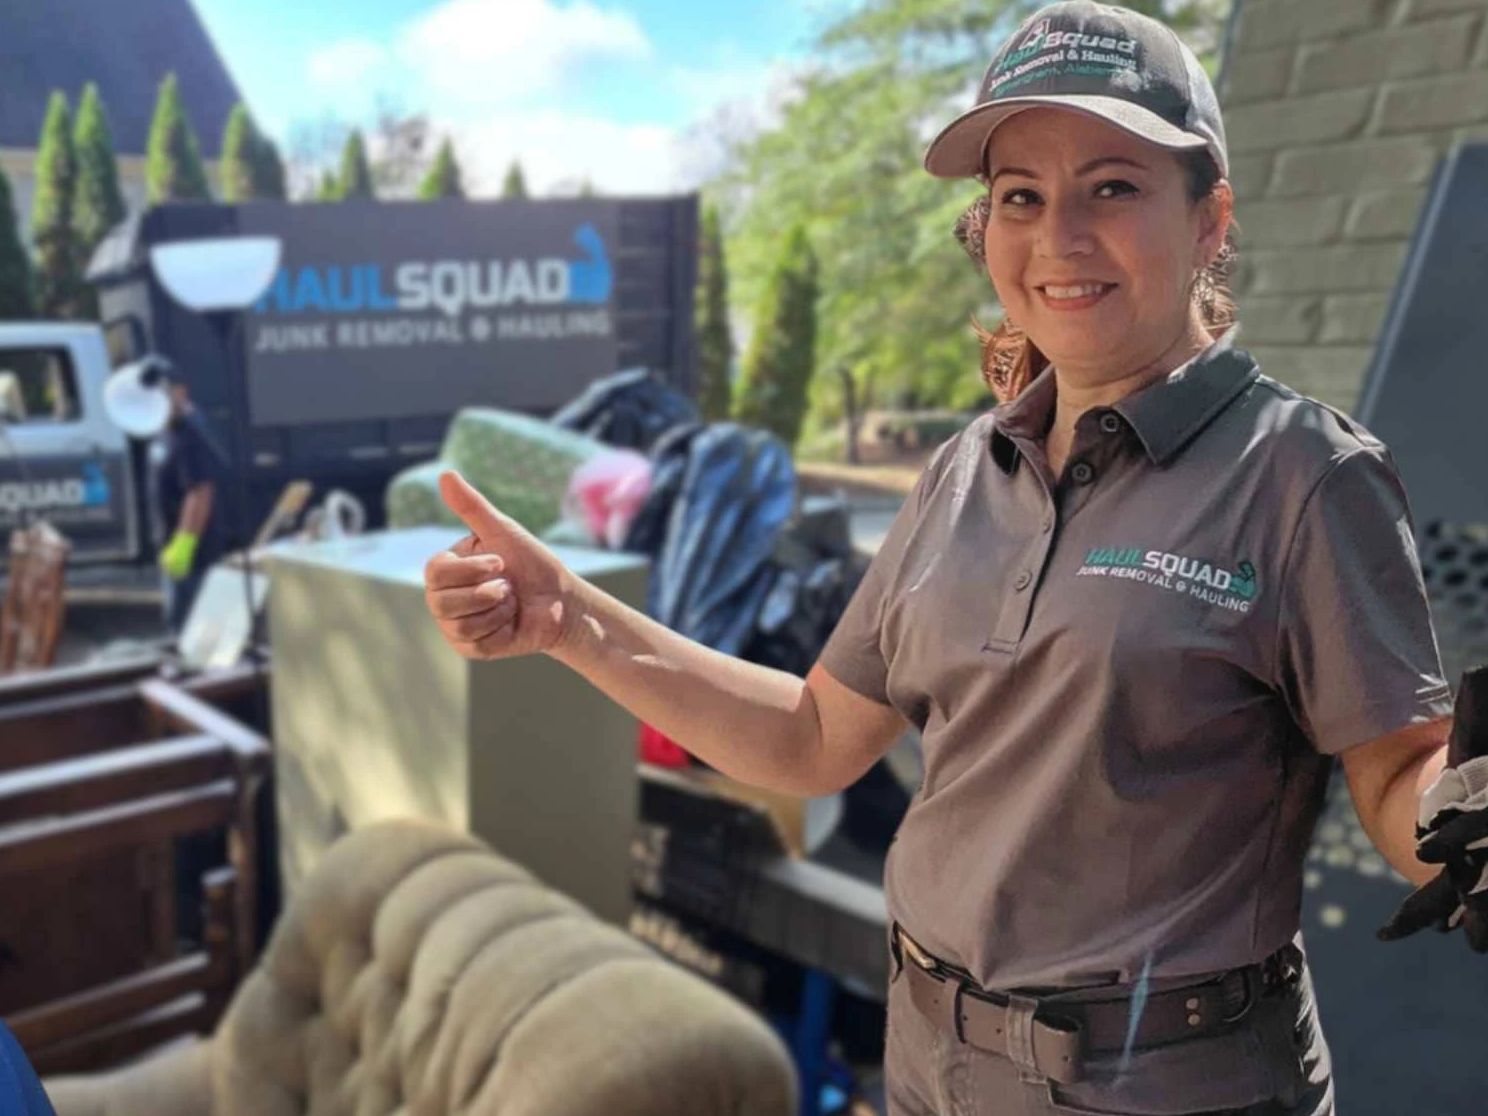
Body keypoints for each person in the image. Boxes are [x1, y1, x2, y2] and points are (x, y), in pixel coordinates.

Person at [422, 4, 1474, 1112]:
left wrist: (1469, 803)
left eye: (1112, 186)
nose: (1059, 235)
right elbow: (816, 735)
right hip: (931, 1055)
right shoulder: (968, 468)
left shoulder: (1304, 474)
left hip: (1167, 1083)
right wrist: (568, 620)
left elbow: (1400, 775)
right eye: (1022, 196)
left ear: (1210, 219)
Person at [147, 356, 227, 634]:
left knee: (190, 630)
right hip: (170, 548)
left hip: (192, 557)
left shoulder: (189, 433)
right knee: (178, 625)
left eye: (159, 393)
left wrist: (184, 544)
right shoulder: (163, 430)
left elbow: (200, 492)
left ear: (180, 392)